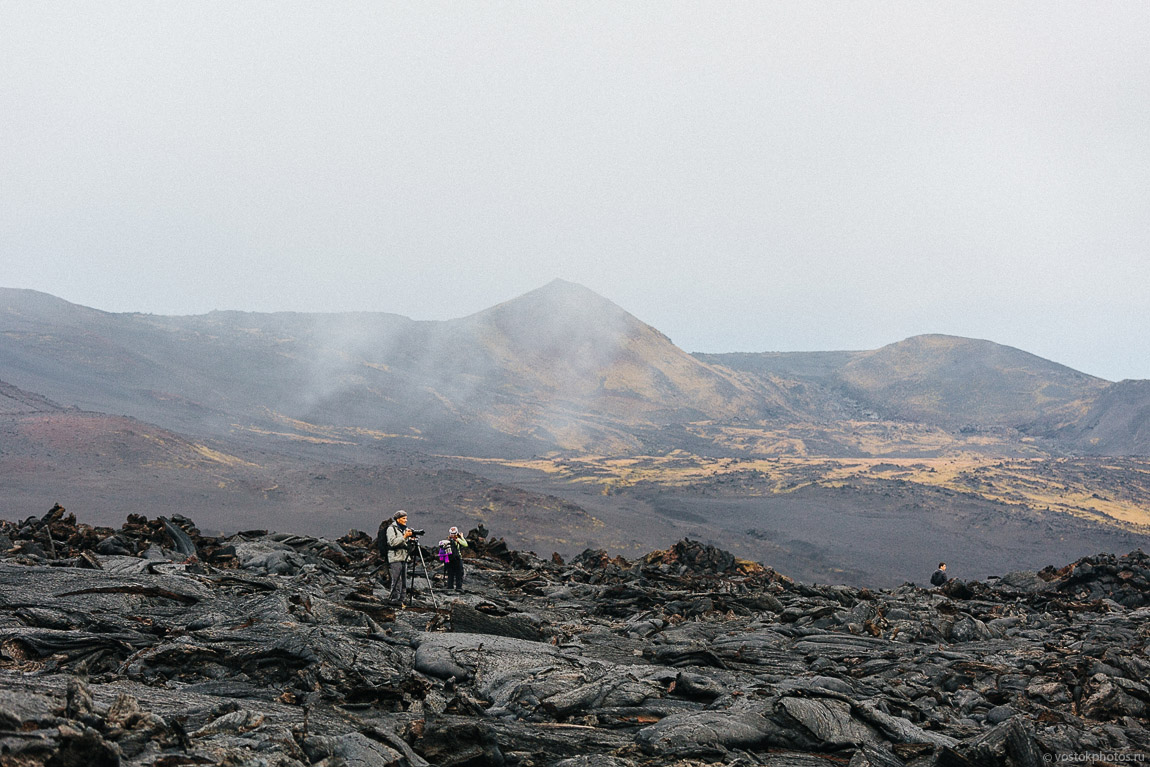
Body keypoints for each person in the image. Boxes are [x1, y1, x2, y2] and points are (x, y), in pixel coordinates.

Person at [384, 510, 415, 605]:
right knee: (397, 579)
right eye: (403, 518)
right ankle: (395, 599)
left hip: (404, 556)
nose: (406, 520)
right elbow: (392, 542)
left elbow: (408, 547)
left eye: (406, 518)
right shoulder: (391, 529)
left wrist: (411, 541)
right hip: (395, 557)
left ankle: (402, 599)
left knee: (404, 580)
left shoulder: (405, 529)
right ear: (398, 519)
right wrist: (405, 536)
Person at [444, 526, 469, 591]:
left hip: (449, 559)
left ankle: (450, 587)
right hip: (457, 559)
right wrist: (462, 537)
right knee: (459, 573)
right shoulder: (457, 539)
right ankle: (458, 588)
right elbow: (465, 544)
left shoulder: (447, 540)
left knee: (450, 574)